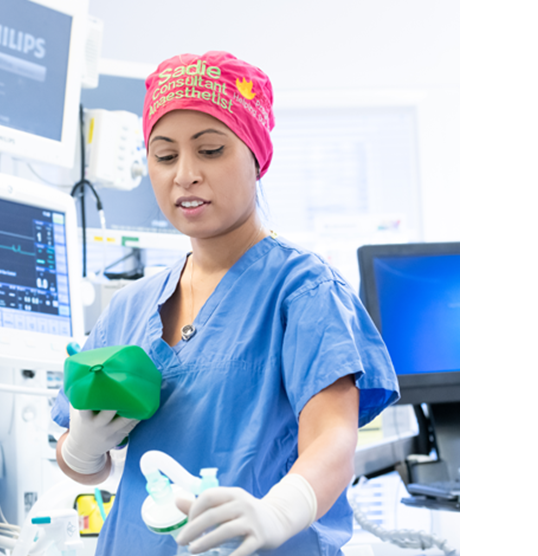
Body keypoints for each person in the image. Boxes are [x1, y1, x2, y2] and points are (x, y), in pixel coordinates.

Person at [50, 51, 399, 556]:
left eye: (210, 150)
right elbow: (79, 456)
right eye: (164, 156)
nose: (184, 175)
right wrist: (82, 450)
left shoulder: (302, 289)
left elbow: (334, 441)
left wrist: (280, 510)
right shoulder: (130, 306)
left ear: (256, 158)